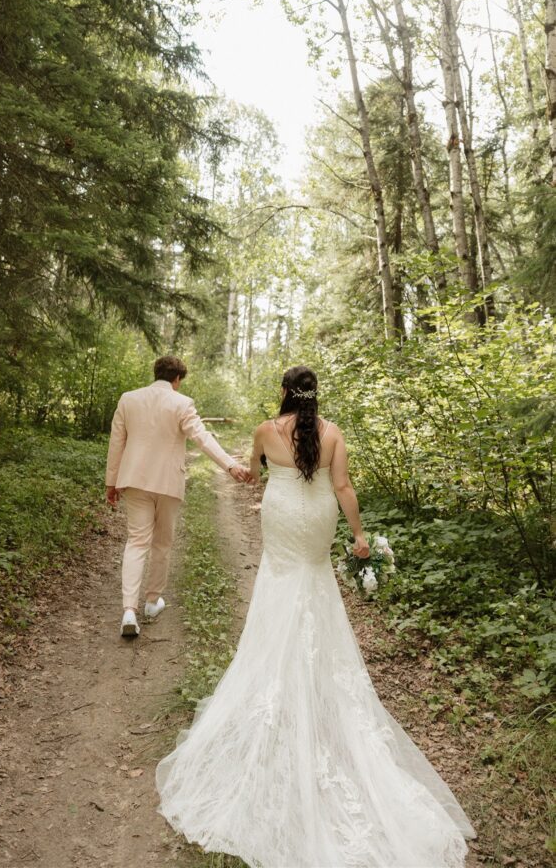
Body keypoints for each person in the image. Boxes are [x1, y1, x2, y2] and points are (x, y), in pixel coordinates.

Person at [156, 365, 476, 867]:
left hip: (282, 512)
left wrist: (242, 470)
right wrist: (360, 535)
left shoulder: (265, 429)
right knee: (313, 579)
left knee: (281, 584)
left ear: (284, 391)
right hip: (319, 516)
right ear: (315, 395)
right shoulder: (333, 434)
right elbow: (343, 487)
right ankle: (311, 682)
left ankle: (277, 676)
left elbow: (251, 473)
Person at [105, 355, 250, 638]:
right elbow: (202, 438)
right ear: (177, 380)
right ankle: (151, 602)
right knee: (162, 542)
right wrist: (230, 465)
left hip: (133, 481)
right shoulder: (181, 403)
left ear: (155, 372)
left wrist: (111, 483)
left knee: (136, 542)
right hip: (168, 482)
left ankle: (128, 611)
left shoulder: (128, 399)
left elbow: (116, 443)